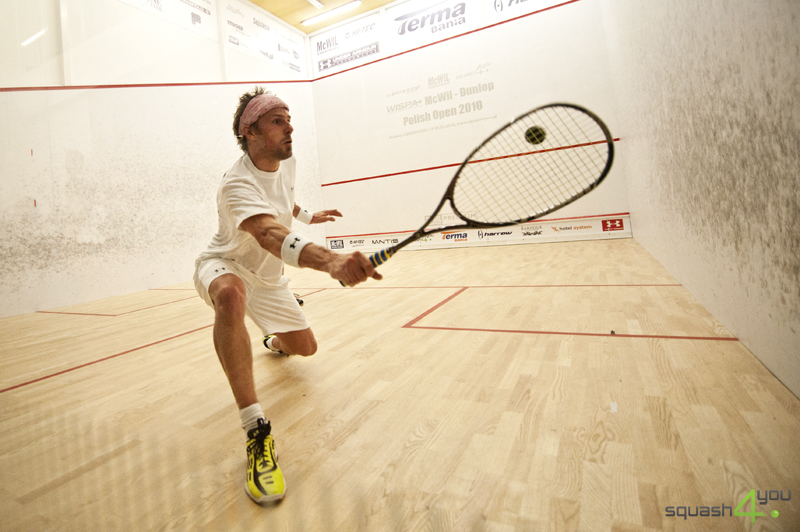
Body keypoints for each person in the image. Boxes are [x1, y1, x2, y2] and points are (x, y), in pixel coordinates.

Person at [193, 87, 382, 503]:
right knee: (231, 296)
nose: (290, 127)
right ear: (250, 132)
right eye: (277, 121)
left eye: (289, 119)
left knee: (305, 348)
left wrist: (310, 216)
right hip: (226, 265)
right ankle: (256, 429)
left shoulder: (286, 161)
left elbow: (285, 200)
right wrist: (331, 261)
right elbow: (267, 232)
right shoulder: (235, 184)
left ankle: (273, 341)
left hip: (270, 279)